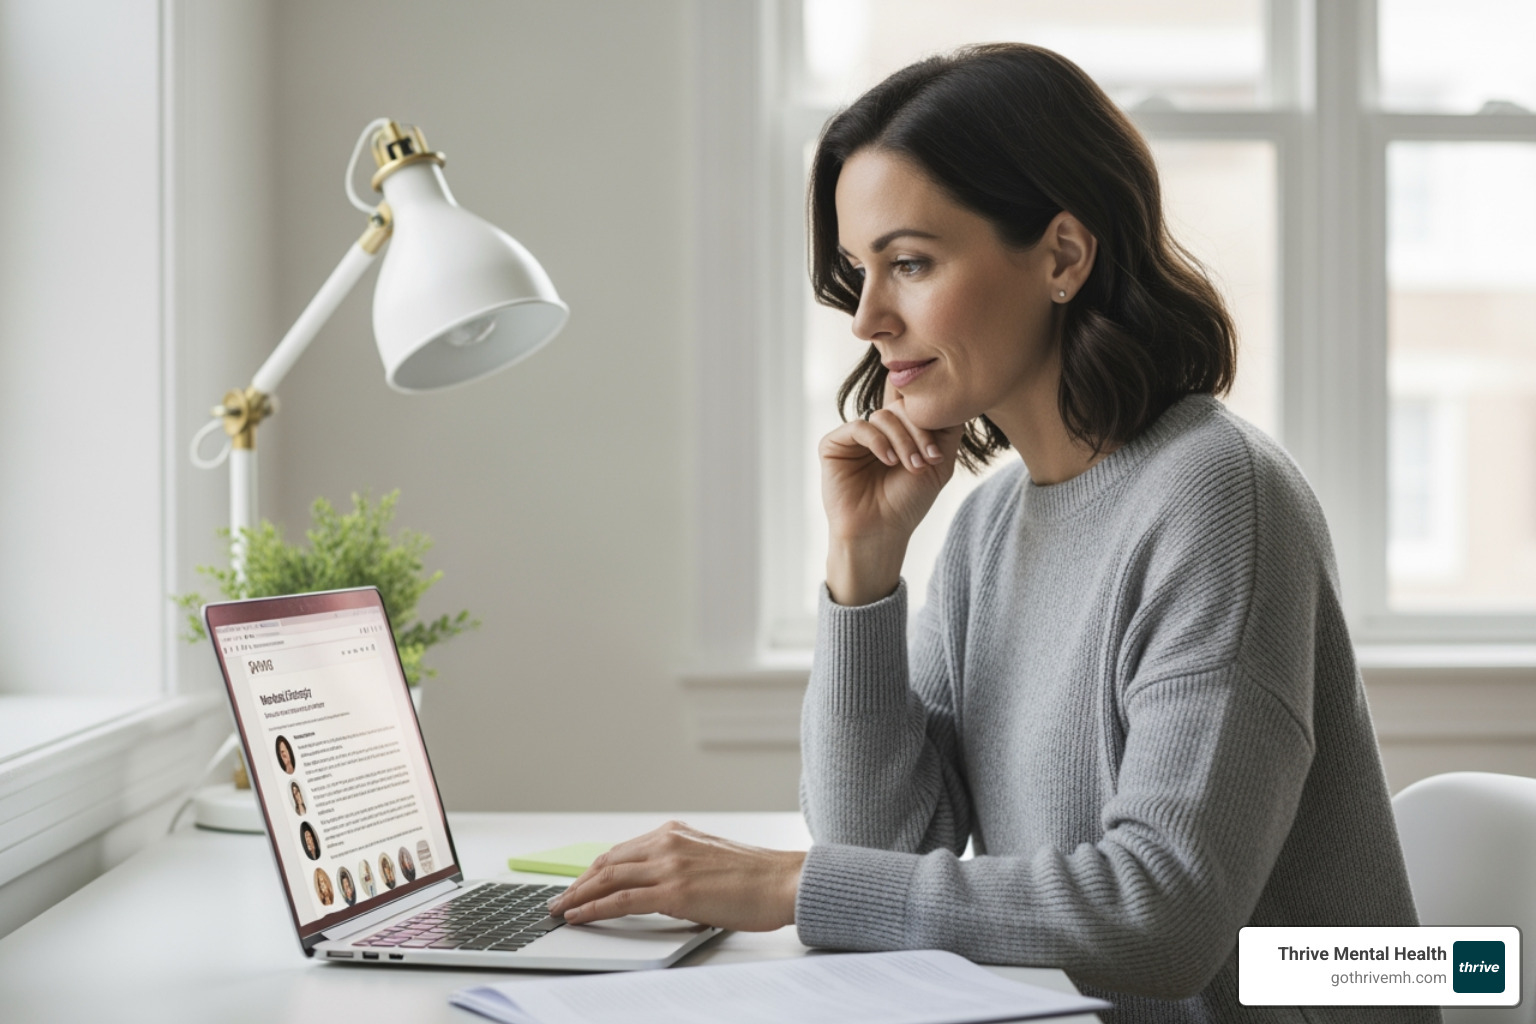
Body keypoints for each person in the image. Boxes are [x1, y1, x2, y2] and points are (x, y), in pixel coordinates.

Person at [545, 43, 1434, 1024]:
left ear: (1062, 255)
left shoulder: (1219, 498)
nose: (868, 318)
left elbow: (1162, 916)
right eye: (858, 271)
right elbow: (880, 849)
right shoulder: (988, 525)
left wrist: (788, 884)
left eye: (911, 263)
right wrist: (862, 575)